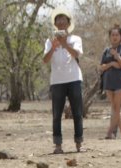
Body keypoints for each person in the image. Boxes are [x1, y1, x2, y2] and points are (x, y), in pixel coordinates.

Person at [43, 8, 84, 154]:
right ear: (55, 24)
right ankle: (58, 145)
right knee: (56, 114)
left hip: (74, 79)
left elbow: (77, 54)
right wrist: (54, 47)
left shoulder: (75, 39)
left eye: (63, 19)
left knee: (77, 112)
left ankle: (79, 143)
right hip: (57, 81)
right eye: (58, 19)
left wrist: (65, 44)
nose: (60, 22)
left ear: (68, 23)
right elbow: (45, 60)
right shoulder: (49, 41)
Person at [100, 25, 121, 140]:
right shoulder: (106, 50)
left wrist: (116, 56)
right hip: (108, 81)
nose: (115, 37)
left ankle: (109, 132)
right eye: (112, 35)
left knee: (117, 107)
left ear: (120, 36)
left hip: (119, 82)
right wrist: (112, 65)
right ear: (109, 37)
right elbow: (101, 66)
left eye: (117, 35)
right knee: (114, 107)